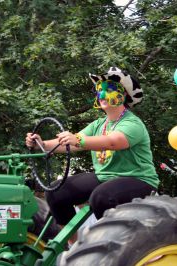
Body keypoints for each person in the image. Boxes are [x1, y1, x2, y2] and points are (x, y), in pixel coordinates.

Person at [26, 67, 159, 227]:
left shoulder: (132, 123)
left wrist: (77, 140)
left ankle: (111, 244)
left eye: (109, 89)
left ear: (123, 96)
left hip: (138, 180)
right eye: (99, 89)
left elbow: (112, 142)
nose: (102, 94)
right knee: (56, 191)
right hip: (104, 178)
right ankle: (71, 246)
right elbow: (71, 144)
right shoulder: (98, 124)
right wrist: (41, 144)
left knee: (102, 197)